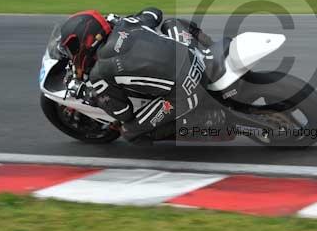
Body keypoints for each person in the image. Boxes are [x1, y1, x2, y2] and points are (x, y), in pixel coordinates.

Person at [57, 8, 213, 144]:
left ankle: (199, 125)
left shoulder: (100, 73)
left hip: (189, 87)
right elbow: (154, 12)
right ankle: (213, 48)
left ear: (85, 41)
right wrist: (126, 19)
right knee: (171, 23)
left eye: (72, 49)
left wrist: (87, 93)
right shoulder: (127, 24)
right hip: (195, 55)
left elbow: (123, 113)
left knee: (128, 131)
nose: (72, 54)